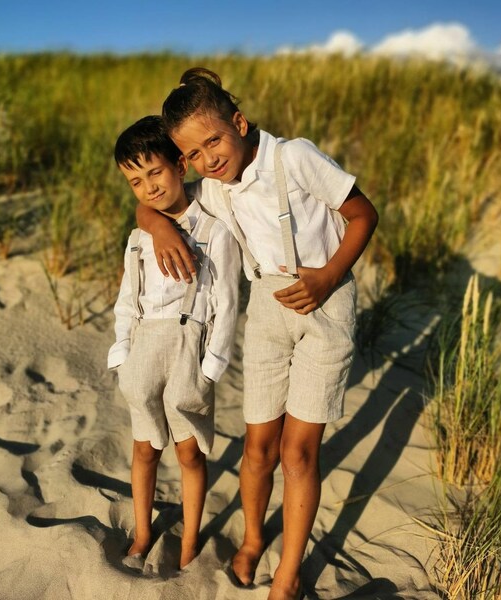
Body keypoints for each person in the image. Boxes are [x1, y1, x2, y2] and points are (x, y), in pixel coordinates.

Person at [136, 68, 379, 600]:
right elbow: (157, 202)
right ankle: (251, 540)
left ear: (240, 123)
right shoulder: (218, 189)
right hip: (267, 311)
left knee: (298, 454)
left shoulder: (293, 157)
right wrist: (155, 226)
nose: (209, 160)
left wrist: (328, 276)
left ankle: (288, 575)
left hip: (326, 301)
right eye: (194, 155)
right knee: (256, 449)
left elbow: (363, 213)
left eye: (215, 141)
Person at [108, 115, 241, 571]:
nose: (149, 187)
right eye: (135, 181)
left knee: (189, 451)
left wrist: (210, 369)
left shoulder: (214, 229)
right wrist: (123, 354)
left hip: (191, 344)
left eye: (156, 172)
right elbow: (128, 299)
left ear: (180, 166)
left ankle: (188, 539)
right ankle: (143, 531)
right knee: (145, 445)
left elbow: (226, 302)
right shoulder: (138, 236)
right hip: (145, 343)